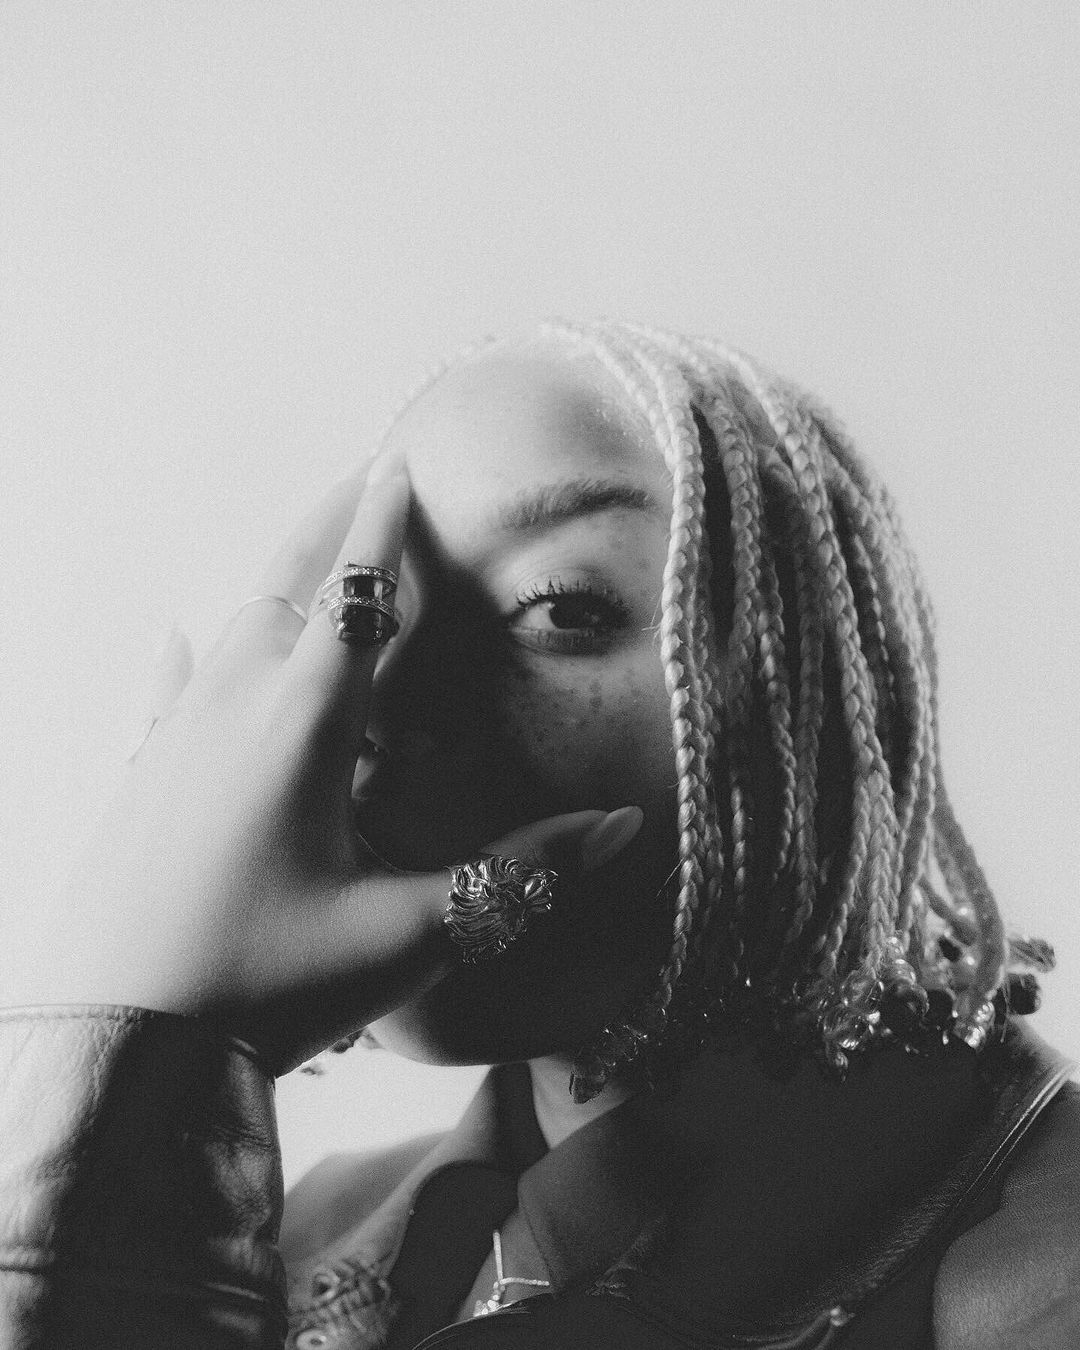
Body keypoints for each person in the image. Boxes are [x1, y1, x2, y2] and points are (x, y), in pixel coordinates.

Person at [1, 321, 1076, 1350]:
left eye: (560, 607)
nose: (373, 709)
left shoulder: (1043, 1275)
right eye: (369, 615)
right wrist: (144, 1071)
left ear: (832, 707)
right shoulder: (291, 1228)